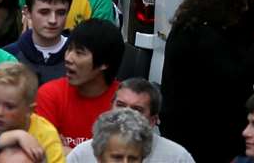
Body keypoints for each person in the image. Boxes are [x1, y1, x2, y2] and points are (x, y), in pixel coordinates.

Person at [159, 0, 254, 163]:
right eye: (242, 1)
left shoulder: (187, 26)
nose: (245, 7)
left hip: (184, 129)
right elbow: (237, 77)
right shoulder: (206, 37)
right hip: (205, 137)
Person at [32, 20, 124, 150]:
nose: (68, 58)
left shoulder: (124, 101)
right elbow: (43, 151)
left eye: (79, 53)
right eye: (69, 49)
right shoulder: (49, 95)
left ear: (104, 63)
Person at [64, 80, 194, 163]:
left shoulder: (177, 157)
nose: (125, 113)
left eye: (137, 109)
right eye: (120, 105)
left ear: (153, 120)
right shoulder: (82, 154)